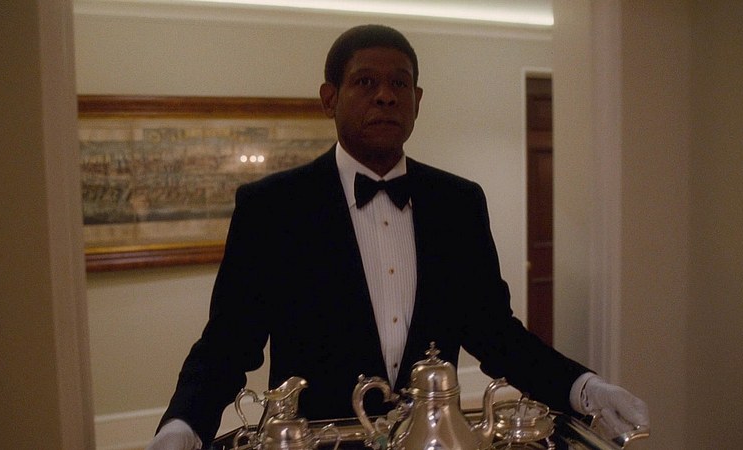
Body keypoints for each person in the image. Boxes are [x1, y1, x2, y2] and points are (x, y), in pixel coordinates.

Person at [147, 24, 649, 450]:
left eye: (399, 83)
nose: (385, 95)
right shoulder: (273, 206)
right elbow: (228, 344)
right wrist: (182, 425)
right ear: (329, 99)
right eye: (365, 81)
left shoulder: (458, 202)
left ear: (417, 100)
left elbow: (496, 334)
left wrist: (584, 388)